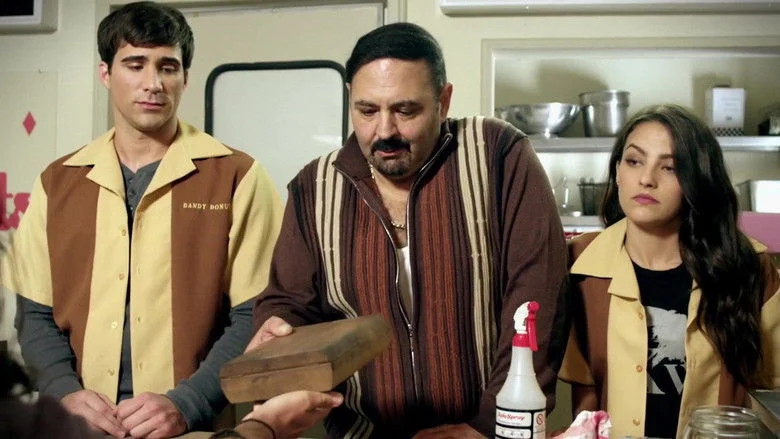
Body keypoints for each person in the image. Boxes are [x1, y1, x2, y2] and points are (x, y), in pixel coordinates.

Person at [247, 22, 569, 438]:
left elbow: (538, 296)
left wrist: (487, 425)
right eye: (367, 111)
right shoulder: (314, 187)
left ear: (443, 100)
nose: (385, 132)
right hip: (360, 432)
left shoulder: (498, 155)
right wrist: (277, 327)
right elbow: (290, 302)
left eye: (405, 110)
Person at [1, 2, 284, 438]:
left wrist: (188, 403)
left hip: (192, 428)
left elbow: (254, 314)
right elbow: (35, 312)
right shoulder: (57, 182)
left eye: (168, 67)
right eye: (135, 65)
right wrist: (63, 393)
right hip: (79, 426)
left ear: (185, 78)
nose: (153, 83)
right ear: (105, 73)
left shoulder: (238, 177)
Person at [559, 104, 780, 438]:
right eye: (634, 161)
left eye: (670, 167)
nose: (646, 179)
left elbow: (771, 391)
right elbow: (582, 391)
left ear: (697, 180)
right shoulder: (580, 263)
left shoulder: (750, 267)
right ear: (617, 171)